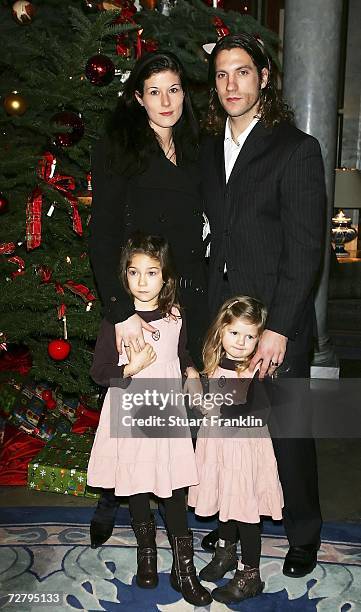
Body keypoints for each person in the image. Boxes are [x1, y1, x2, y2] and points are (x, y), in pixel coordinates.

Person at [199, 33, 325, 578]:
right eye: (222, 74)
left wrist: (280, 328)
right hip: (222, 325)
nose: (231, 84)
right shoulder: (207, 149)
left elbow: (306, 249)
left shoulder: (296, 149)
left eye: (243, 72)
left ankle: (304, 535)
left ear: (265, 78)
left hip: (276, 325)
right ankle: (230, 527)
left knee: (289, 435)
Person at [89, 50, 208, 551]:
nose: (165, 100)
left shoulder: (198, 147)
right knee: (128, 411)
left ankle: (171, 510)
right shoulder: (119, 147)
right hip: (135, 301)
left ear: (185, 94)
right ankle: (115, 499)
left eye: (174, 89)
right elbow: (102, 235)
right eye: (153, 90)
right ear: (137, 97)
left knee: (174, 416)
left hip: (187, 301)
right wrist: (121, 315)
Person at [87, 234, 212, 607]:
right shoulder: (118, 322)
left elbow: (181, 349)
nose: (142, 282)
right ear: (123, 277)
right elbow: (99, 373)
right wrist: (130, 367)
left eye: (152, 272)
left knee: (174, 492)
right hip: (130, 414)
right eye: (134, 272)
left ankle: (183, 568)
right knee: (137, 486)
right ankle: (147, 552)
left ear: (165, 278)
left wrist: (190, 369)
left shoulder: (176, 315)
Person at [188, 296, 283, 604]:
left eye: (250, 336)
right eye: (235, 333)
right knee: (224, 499)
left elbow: (260, 413)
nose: (242, 342)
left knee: (245, 512)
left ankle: (249, 574)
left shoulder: (257, 372)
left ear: (259, 339)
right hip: (218, 448)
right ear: (221, 332)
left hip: (244, 453)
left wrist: (218, 408)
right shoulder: (215, 365)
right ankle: (226, 553)